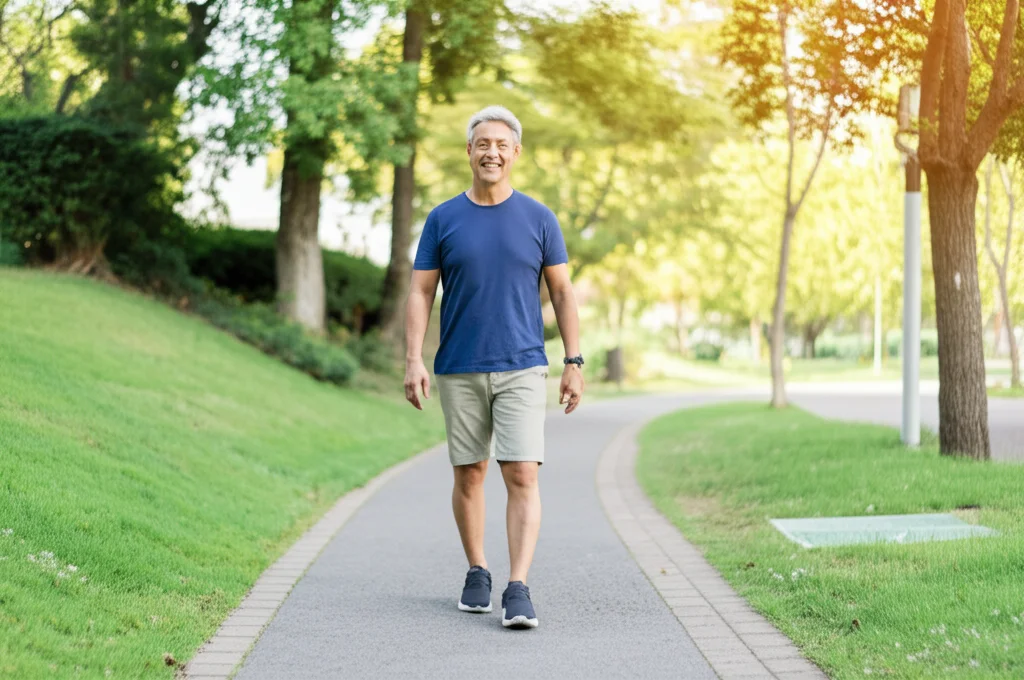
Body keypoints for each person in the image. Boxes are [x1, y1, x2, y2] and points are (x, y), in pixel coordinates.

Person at [403, 105, 584, 630]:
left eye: (502, 145)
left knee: (521, 471)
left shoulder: (539, 218)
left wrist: (573, 361)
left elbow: (563, 291)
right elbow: (420, 291)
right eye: (483, 143)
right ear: (469, 151)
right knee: (469, 472)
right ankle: (477, 571)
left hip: (523, 364)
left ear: (516, 153)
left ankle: (518, 585)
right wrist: (413, 358)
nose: (492, 152)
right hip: (458, 364)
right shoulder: (442, 219)